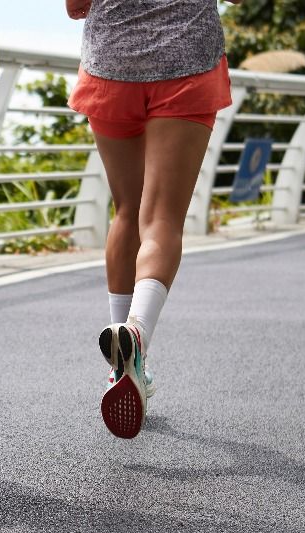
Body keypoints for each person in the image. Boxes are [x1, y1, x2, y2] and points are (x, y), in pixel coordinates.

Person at [65, 0, 238, 438]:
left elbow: (75, 5)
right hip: (188, 63)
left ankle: (120, 367)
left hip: (112, 64)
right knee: (161, 218)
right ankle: (136, 333)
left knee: (127, 209)